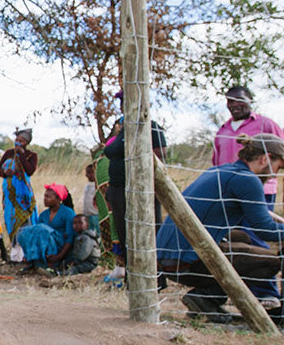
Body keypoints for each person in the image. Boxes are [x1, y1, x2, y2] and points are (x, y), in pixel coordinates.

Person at [156, 133, 284, 324]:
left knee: (242, 237)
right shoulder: (247, 180)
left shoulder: (221, 170)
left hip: (167, 257)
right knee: (271, 262)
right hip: (184, 263)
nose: (274, 174)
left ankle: (206, 299)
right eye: (277, 167)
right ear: (265, 159)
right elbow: (264, 229)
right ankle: (206, 297)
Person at [103, 91, 167, 279]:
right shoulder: (123, 128)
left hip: (140, 191)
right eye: (122, 102)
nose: (123, 105)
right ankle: (134, 278)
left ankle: (155, 278)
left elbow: (159, 155)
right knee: (126, 236)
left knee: (149, 234)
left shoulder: (150, 127)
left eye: (127, 100)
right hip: (119, 190)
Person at [212, 85, 284, 210]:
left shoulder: (266, 124)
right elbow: (216, 163)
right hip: (229, 192)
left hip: (261, 190)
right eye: (230, 101)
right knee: (231, 229)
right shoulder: (222, 131)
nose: (234, 104)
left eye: (239, 99)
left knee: (260, 226)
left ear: (250, 100)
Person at [16, 184, 76, 272]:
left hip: (59, 245)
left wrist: (59, 256)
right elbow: (35, 234)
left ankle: (51, 264)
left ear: (58, 199)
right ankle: (31, 260)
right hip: (45, 243)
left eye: (48, 196)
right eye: (45, 196)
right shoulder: (44, 214)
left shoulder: (68, 213)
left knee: (42, 229)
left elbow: (70, 237)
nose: (45, 199)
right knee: (24, 232)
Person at [0, 128, 39, 247]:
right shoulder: (8, 153)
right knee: (11, 218)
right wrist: (5, 172)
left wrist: (22, 155)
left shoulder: (32, 155)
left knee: (25, 219)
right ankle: (15, 248)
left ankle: (27, 248)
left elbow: (29, 171)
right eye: (17, 139)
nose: (18, 142)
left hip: (24, 193)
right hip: (10, 194)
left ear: (27, 143)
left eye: (22, 140)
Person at [82, 163, 100, 234]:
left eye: (90, 173)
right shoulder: (88, 186)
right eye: (87, 173)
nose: (87, 175)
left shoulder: (97, 186)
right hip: (87, 215)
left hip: (95, 215)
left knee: (97, 233)